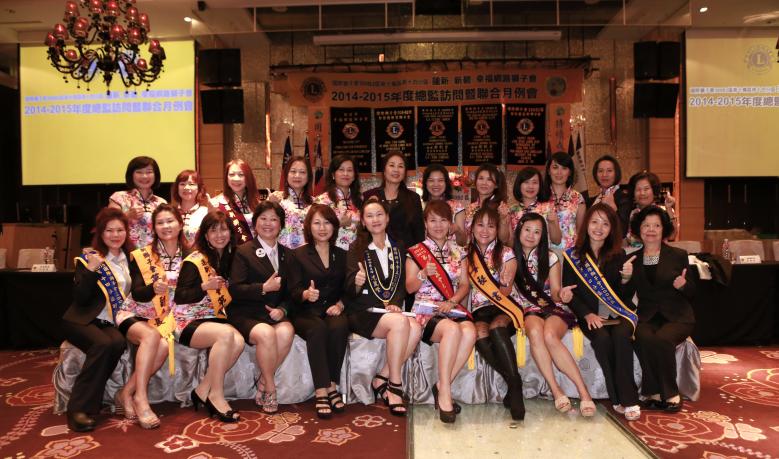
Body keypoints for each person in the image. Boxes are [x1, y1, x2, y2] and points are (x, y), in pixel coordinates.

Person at [343, 197, 423, 417]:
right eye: (369, 216)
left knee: (415, 328)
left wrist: (395, 304)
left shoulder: (398, 247)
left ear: (387, 218)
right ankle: (395, 385)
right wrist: (356, 282)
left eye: (379, 214)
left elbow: (400, 284)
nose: (375, 219)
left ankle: (382, 377)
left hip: (389, 310)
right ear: (363, 222)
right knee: (400, 323)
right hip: (363, 311)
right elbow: (348, 290)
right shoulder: (357, 249)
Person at [562, 203, 640, 420]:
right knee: (603, 340)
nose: (599, 228)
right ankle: (616, 398)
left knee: (621, 337)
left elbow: (624, 296)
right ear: (586, 225)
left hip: (618, 313)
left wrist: (627, 278)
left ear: (611, 229)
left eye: (605, 224)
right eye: (594, 222)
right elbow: (571, 293)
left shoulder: (619, 254)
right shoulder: (572, 256)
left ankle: (629, 399)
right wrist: (587, 314)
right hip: (590, 315)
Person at [513, 212, 596, 417]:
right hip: (528, 310)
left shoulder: (550, 257)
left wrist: (563, 295)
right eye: (527, 230)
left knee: (550, 336)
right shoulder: (509, 257)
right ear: (519, 231)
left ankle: (584, 392)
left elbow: (556, 291)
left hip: (552, 307)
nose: (531, 235)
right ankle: (556, 390)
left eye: (537, 232)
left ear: (543, 236)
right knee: (535, 333)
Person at [115, 204, 188, 429]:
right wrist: (153, 288)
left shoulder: (191, 255)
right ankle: (141, 398)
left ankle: (125, 393)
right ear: (154, 228)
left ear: (180, 224)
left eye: (170, 221)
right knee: (151, 337)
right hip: (135, 313)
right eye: (160, 223)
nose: (166, 226)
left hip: (165, 317)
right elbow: (137, 292)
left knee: (164, 346)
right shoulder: (143, 255)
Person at [60, 207, 131, 432]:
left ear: (127, 232)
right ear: (100, 233)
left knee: (117, 342)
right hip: (81, 320)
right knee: (102, 344)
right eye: (109, 230)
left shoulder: (130, 258)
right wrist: (91, 270)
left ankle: (93, 400)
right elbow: (80, 298)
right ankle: (77, 409)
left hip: (108, 322)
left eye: (120, 230)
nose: (115, 235)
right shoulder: (90, 258)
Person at [405, 200, 476, 423]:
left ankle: (441, 384)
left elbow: (464, 285)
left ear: (450, 224)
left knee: (470, 332)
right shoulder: (416, 251)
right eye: (433, 220)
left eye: (443, 220)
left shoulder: (459, 252)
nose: (438, 225)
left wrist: (452, 301)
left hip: (450, 307)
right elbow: (409, 287)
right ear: (425, 223)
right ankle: (445, 392)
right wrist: (423, 274)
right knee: (453, 330)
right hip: (425, 310)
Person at [173, 210, 245, 423]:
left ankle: (202, 389)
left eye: (224, 230)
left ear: (230, 232)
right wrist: (205, 287)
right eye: (213, 231)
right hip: (187, 320)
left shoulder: (229, 258)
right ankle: (216, 395)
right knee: (226, 336)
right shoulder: (194, 260)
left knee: (238, 341)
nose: (219, 235)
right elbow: (180, 297)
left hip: (213, 319)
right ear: (205, 235)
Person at [227, 201, 295, 414]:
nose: (268, 223)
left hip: (273, 313)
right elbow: (235, 289)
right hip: (245, 312)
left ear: (281, 225)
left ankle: (263, 382)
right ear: (255, 223)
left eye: (274, 219)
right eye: (263, 218)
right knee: (266, 334)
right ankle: (271, 389)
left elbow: (292, 293)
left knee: (286, 331)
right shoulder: (243, 251)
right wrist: (263, 288)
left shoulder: (288, 254)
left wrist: (283, 310)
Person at [629, 206, 694, 413]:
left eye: (656, 225)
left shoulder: (678, 255)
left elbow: (694, 291)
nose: (651, 230)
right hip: (647, 316)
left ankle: (671, 393)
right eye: (646, 225)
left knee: (663, 339)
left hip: (677, 316)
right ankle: (653, 391)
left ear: (663, 229)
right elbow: (625, 292)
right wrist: (625, 277)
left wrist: (683, 286)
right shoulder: (633, 259)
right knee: (643, 337)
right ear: (638, 229)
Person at [288, 204, 350, 419]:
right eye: (317, 223)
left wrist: (340, 305)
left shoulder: (342, 255)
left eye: (327, 223)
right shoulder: (297, 255)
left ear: (334, 227)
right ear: (309, 227)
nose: (322, 228)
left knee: (340, 326)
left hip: (332, 309)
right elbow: (292, 290)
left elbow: (348, 288)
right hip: (305, 311)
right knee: (318, 329)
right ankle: (321, 390)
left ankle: (332, 385)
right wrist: (306, 294)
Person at [466, 206, 526, 420]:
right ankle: (514, 382)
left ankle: (515, 389)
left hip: (505, 306)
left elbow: (506, 292)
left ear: (497, 229)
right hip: (480, 310)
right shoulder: (465, 254)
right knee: (480, 333)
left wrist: (505, 281)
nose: (485, 230)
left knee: (497, 328)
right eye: (480, 225)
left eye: (491, 226)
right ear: (472, 228)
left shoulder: (507, 252)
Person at [363, 152, 424, 250]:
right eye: (392, 165)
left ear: (405, 172)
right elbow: (363, 231)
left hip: (406, 255)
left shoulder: (413, 198)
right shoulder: (369, 195)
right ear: (384, 170)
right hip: (376, 253)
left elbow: (419, 234)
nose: (396, 170)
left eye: (400, 166)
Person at [109, 156, 167, 249]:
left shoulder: (161, 203)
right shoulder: (119, 197)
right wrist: (127, 215)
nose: (144, 176)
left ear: (155, 175)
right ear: (131, 175)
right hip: (125, 253)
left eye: (149, 172)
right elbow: (107, 225)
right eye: (139, 172)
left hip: (154, 253)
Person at [454, 163, 511, 246]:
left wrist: (503, 219)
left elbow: (504, 240)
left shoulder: (501, 208)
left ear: (496, 185)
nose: (484, 183)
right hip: (471, 251)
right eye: (481, 178)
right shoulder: (470, 207)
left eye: (489, 179)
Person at [314, 154, 363, 251]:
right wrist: (339, 223)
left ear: (354, 176)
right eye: (341, 170)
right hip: (330, 251)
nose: (345, 174)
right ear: (333, 174)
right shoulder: (322, 200)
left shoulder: (359, 199)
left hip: (355, 253)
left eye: (349, 170)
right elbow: (314, 229)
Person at [210, 159, 261, 244]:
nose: (236, 179)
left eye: (241, 174)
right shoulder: (216, 203)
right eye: (231, 174)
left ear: (248, 178)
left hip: (257, 249)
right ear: (226, 178)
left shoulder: (256, 202)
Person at [509, 167, 561, 246]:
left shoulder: (549, 208)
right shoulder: (512, 210)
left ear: (540, 185)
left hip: (542, 253)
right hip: (517, 253)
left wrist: (552, 223)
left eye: (535, 182)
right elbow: (509, 243)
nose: (530, 186)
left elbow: (557, 241)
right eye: (526, 182)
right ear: (519, 185)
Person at [269, 155, 313, 249]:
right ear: (286, 174)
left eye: (302, 172)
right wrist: (271, 205)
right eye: (293, 171)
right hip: (282, 252)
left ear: (308, 176)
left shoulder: (315, 202)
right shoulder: (275, 198)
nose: (297, 176)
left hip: (308, 253)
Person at [544, 152, 586, 251]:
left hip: (569, 253)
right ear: (549, 171)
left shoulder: (578, 198)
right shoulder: (540, 196)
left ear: (570, 172)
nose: (559, 172)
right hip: (545, 252)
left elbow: (580, 232)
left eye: (564, 168)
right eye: (555, 167)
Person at [626, 171, 678, 248]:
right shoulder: (631, 214)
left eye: (646, 189)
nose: (642, 193)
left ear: (654, 190)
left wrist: (669, 208)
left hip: (658, 254)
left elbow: (672, 236)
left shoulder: (662, 211)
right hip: (635, 254)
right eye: (638, 189)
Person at [586, 155, 632, 231]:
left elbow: (623, 230)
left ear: (616, 173)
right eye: (600, 171)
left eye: (609, 171)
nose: (604, 175)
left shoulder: (625, 199)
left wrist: (613, 208)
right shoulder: (590, 201)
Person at [421, 164, 466, 240]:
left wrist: (457, 229)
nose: (436, 184)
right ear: (425, 183)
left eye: (440, 180)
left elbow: (463, 242)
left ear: (446, 183)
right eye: (431, 180)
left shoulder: (457, 207)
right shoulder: (419, 206)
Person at [170, 169, 210, 247]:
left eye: (191, 184)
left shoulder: (206, 213)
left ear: (199, 188)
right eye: (182, 184)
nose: (186, 187)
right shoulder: (171, 212)